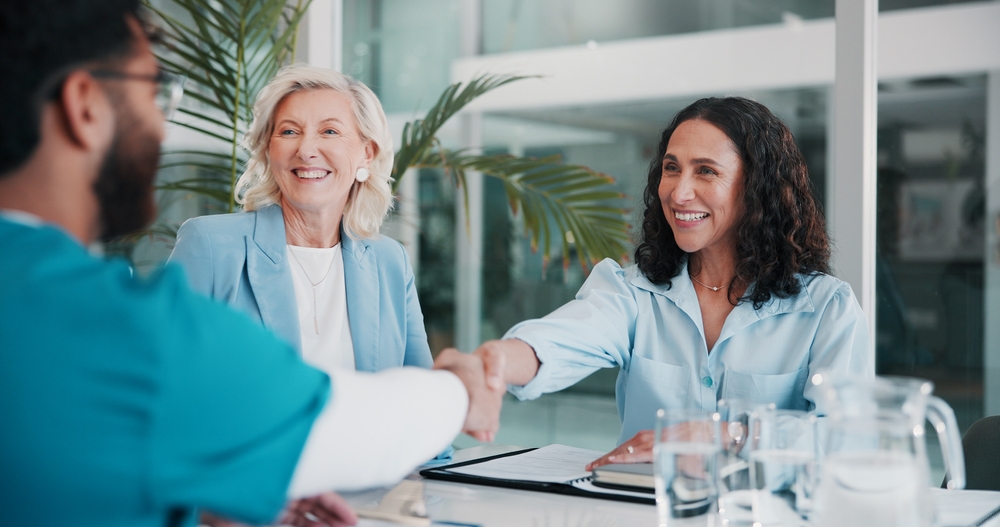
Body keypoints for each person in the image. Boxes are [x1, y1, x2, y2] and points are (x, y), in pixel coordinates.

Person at [0, 2, 504, 527]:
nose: (161, 121)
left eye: (330, 132)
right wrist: (460, 388)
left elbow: (113, 459)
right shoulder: (117, 326)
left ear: (366, 155)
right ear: (84, 105)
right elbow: (309, 428)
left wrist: (219, 505)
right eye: (154, 92)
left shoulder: (37, 294)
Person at [467, 96, 872, 470]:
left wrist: (727, 435)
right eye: (671, 168)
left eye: (706, 172)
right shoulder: (632, 292)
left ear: (756, 189)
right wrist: (495, 363)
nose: (679, 193)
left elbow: (847, 439)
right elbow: (561, 340)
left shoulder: (826, 310)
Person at [169, 64, 430, 378]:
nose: (306, 151)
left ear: (367, 154)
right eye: (289, 131)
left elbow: (419, 387)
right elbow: (162, 377)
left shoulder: (390, 261)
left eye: (329, 131)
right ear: (268, 150)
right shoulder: (211, 246)